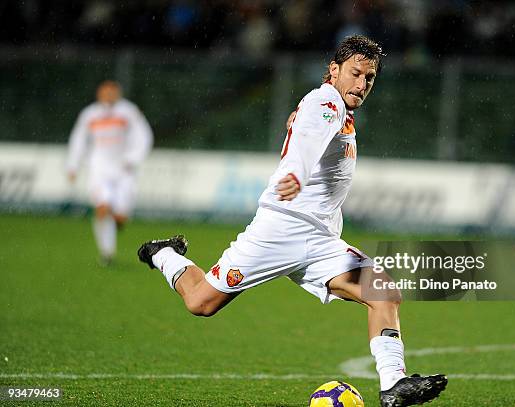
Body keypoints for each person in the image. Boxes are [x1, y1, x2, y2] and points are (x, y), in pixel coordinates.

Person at [137, 35, 447, 406]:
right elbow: (306, 142)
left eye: (370, 78)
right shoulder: (326, 101)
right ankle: (163, 253)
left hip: (318, 242)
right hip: (281, 229)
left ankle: (393, 387)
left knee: (384, 294)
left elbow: (308, 132)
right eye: (355, 73)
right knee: (202, 302)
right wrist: (296, 173)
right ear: (334, 70)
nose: (362, 84)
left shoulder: (333, 110)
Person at [67, 80, 153, 265]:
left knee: (119, 216)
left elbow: (144, 136)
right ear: (99, 93)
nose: (108, 95)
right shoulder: (90, 114)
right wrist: (73, 165)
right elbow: (79, 139)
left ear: (118, 93)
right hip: (99, 169)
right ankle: (107, 253)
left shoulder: (129, 111)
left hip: (124, 170)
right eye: (105, 92)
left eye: (112, 92)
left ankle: (118, 220)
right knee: (102, 208)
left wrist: (134, 158)